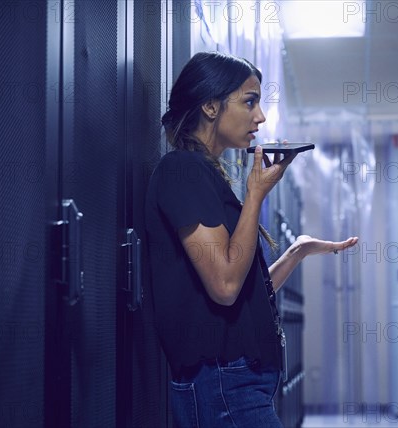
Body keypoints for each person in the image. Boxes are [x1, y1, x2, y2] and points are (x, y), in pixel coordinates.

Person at [144, 51, 359, 427]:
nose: (260, 116)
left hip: (237, 385)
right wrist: (256, 196)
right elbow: (225, 286)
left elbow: (242, 291)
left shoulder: (203, 175)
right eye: (249, 101)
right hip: (224, 385)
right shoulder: (182, 170)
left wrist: (296, 252)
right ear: (210, 106)